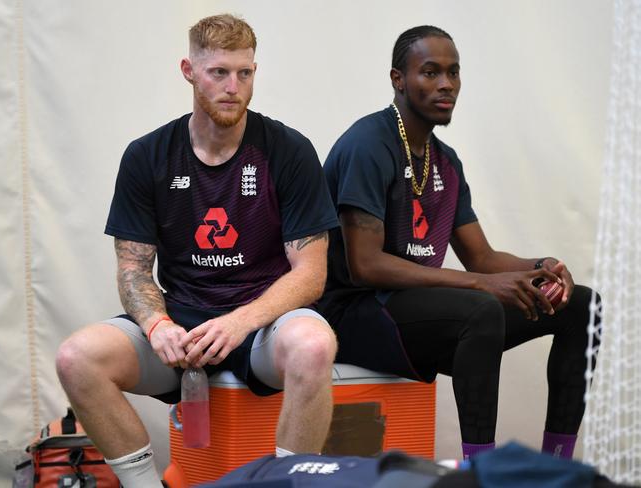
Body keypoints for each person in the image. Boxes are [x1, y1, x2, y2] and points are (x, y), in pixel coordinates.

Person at [55, 14, 339, 488]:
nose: (233, 87)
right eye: (219, 72)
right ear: (189, 70)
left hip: (261, 324)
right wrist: (157, 324)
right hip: (183, 327)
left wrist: (240, 322)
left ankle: (289, 483)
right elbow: (133, 270)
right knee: (76, 358)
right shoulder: (147, 155)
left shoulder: (288, 150)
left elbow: (310, 274)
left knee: (314, 345)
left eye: (244, 73)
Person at [319, 25, 600, 461]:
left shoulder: (444, 161)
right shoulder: (368, 144)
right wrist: (479, 286)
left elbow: (482, 258)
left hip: (418, 309)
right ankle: (480, 469)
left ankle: (555, 464)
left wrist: (540, 265)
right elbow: (365, 266)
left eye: (453, 73)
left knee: (582, 306)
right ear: (398, 79)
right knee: (482, 308)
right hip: (355, 311)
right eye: (430, 72)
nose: (446, 84)